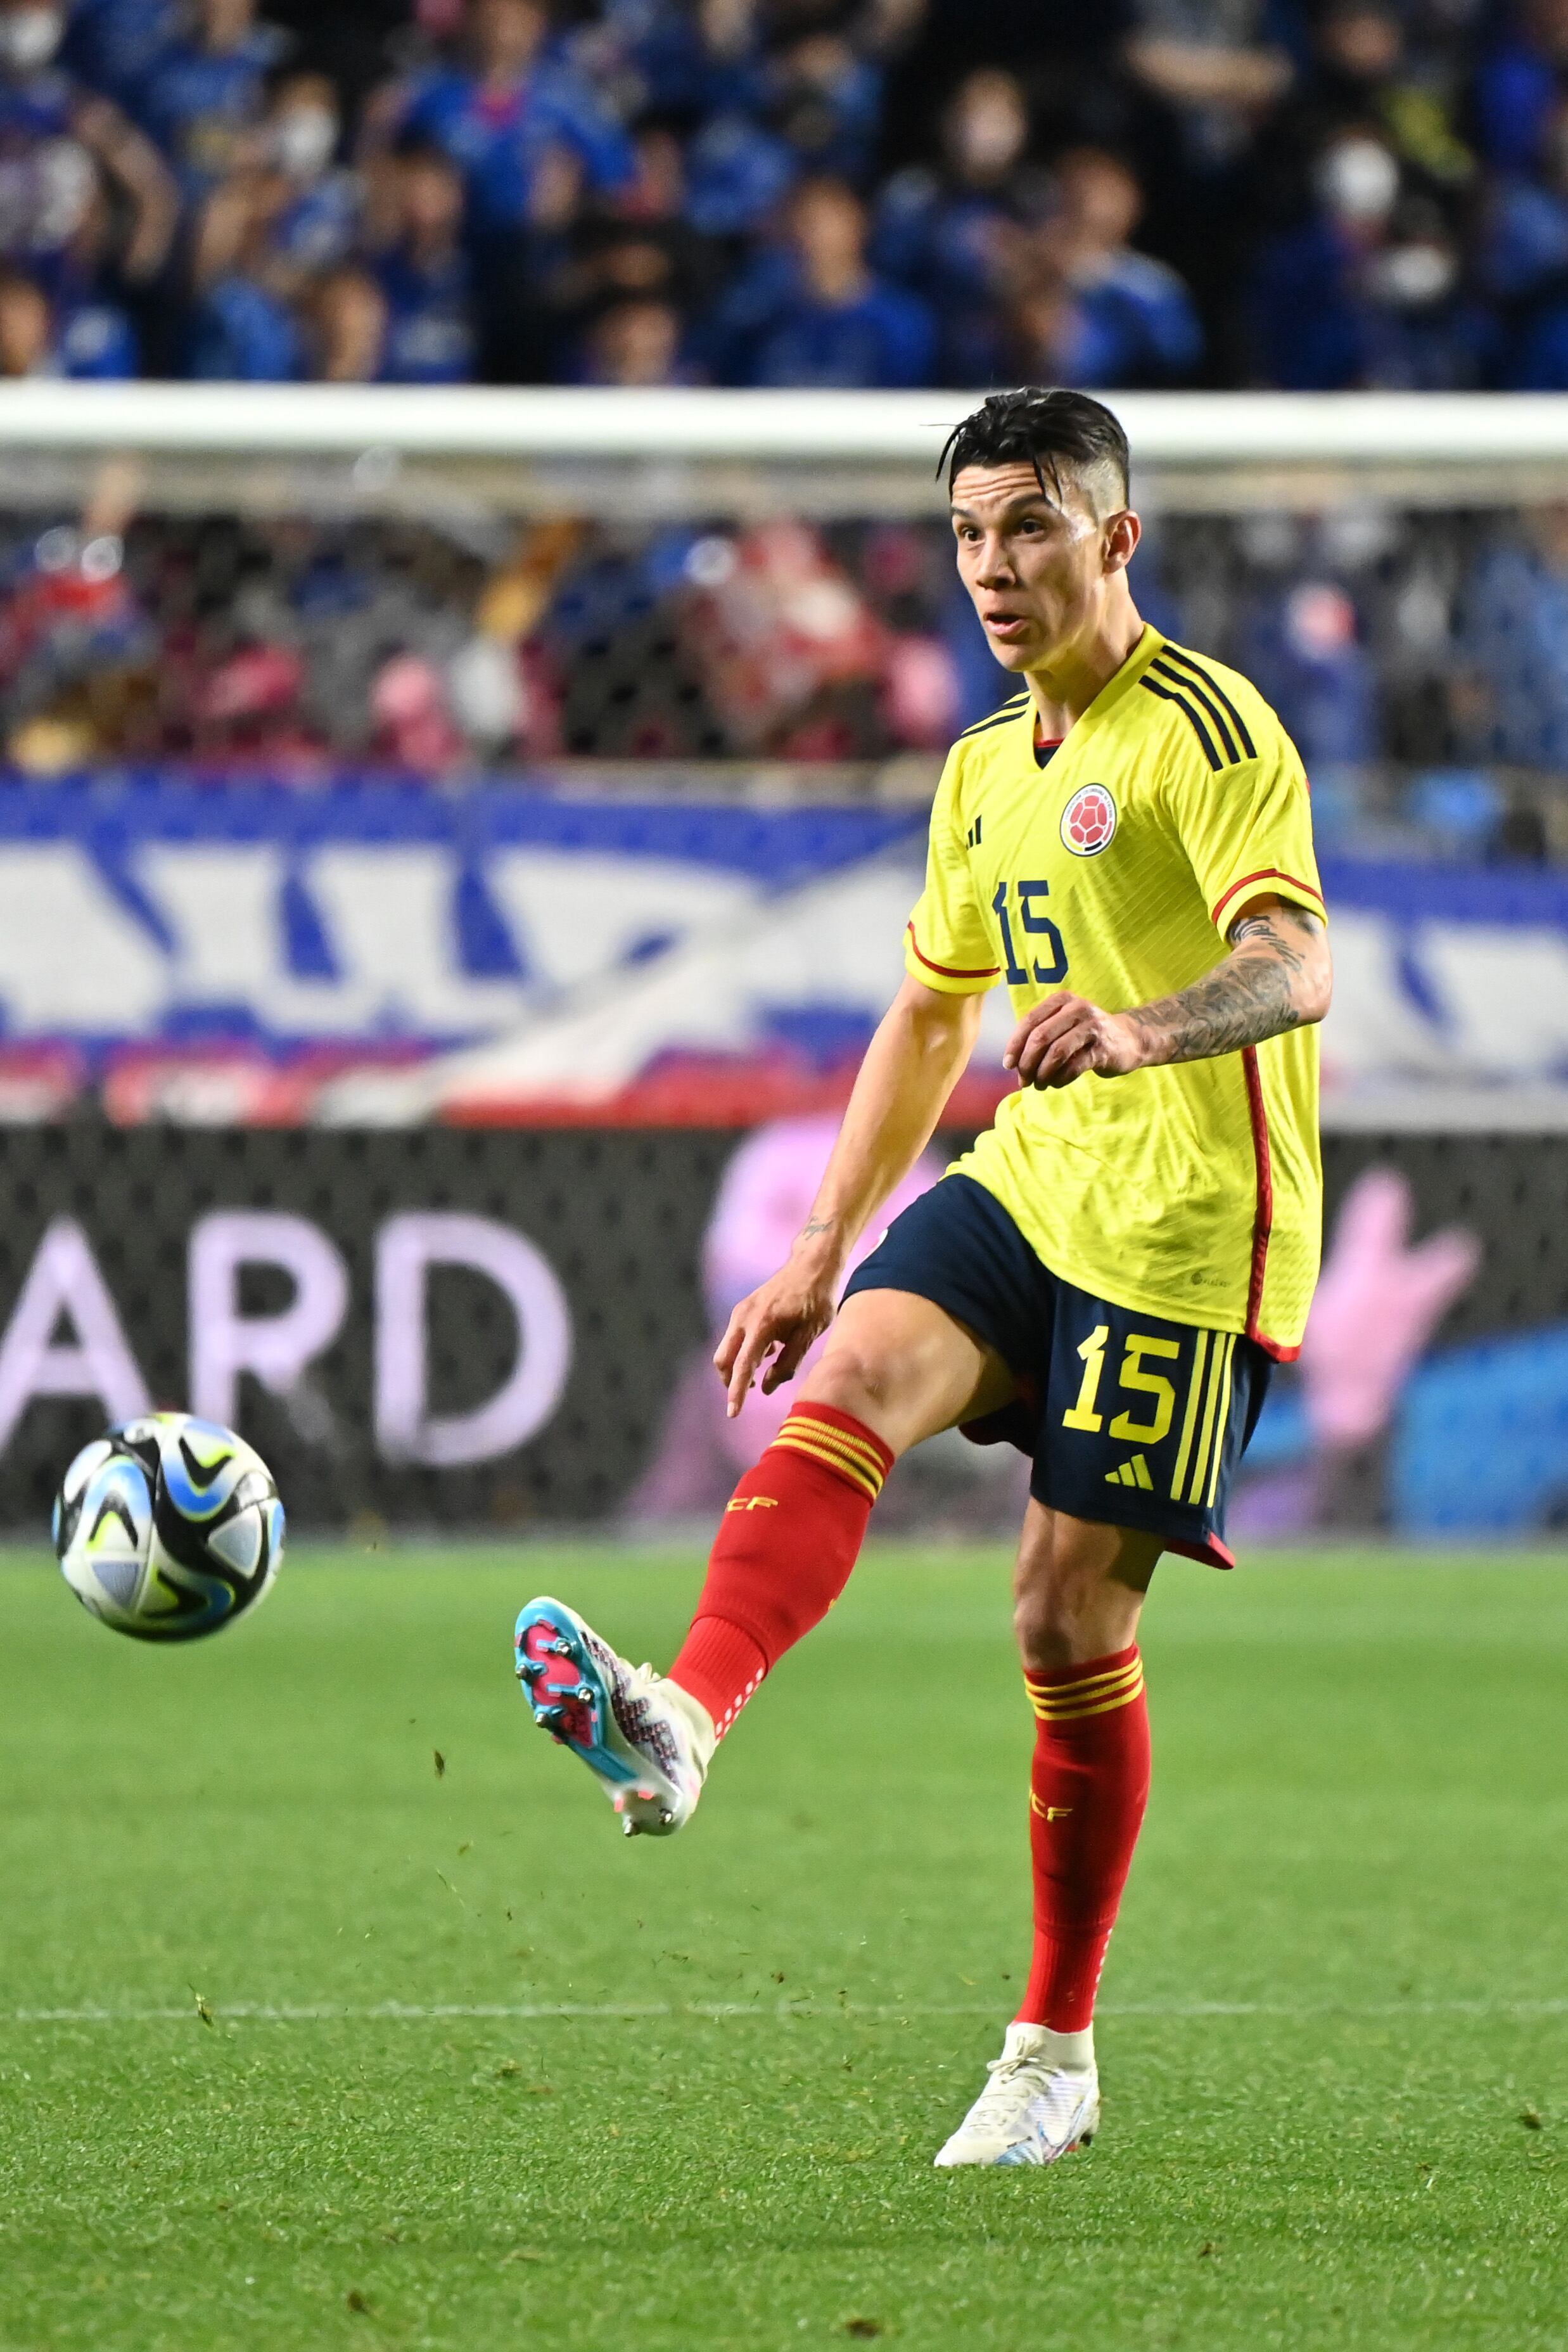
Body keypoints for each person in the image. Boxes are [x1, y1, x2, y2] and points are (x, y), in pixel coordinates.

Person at [514, 385, 1332, 2168]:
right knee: (853, 1377)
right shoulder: (980, 767)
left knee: (1062, 1622)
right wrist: (818, 1245)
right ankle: (682, 1719)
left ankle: (1054, 2052)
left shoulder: (1207, 728)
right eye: (967, 534)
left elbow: (1294, 965)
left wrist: (1141, 1028)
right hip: (1035, 1179)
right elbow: (927, 1015)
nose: (992, 566)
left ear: (1115, 536)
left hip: (1193, 1229)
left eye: (1029, 525)